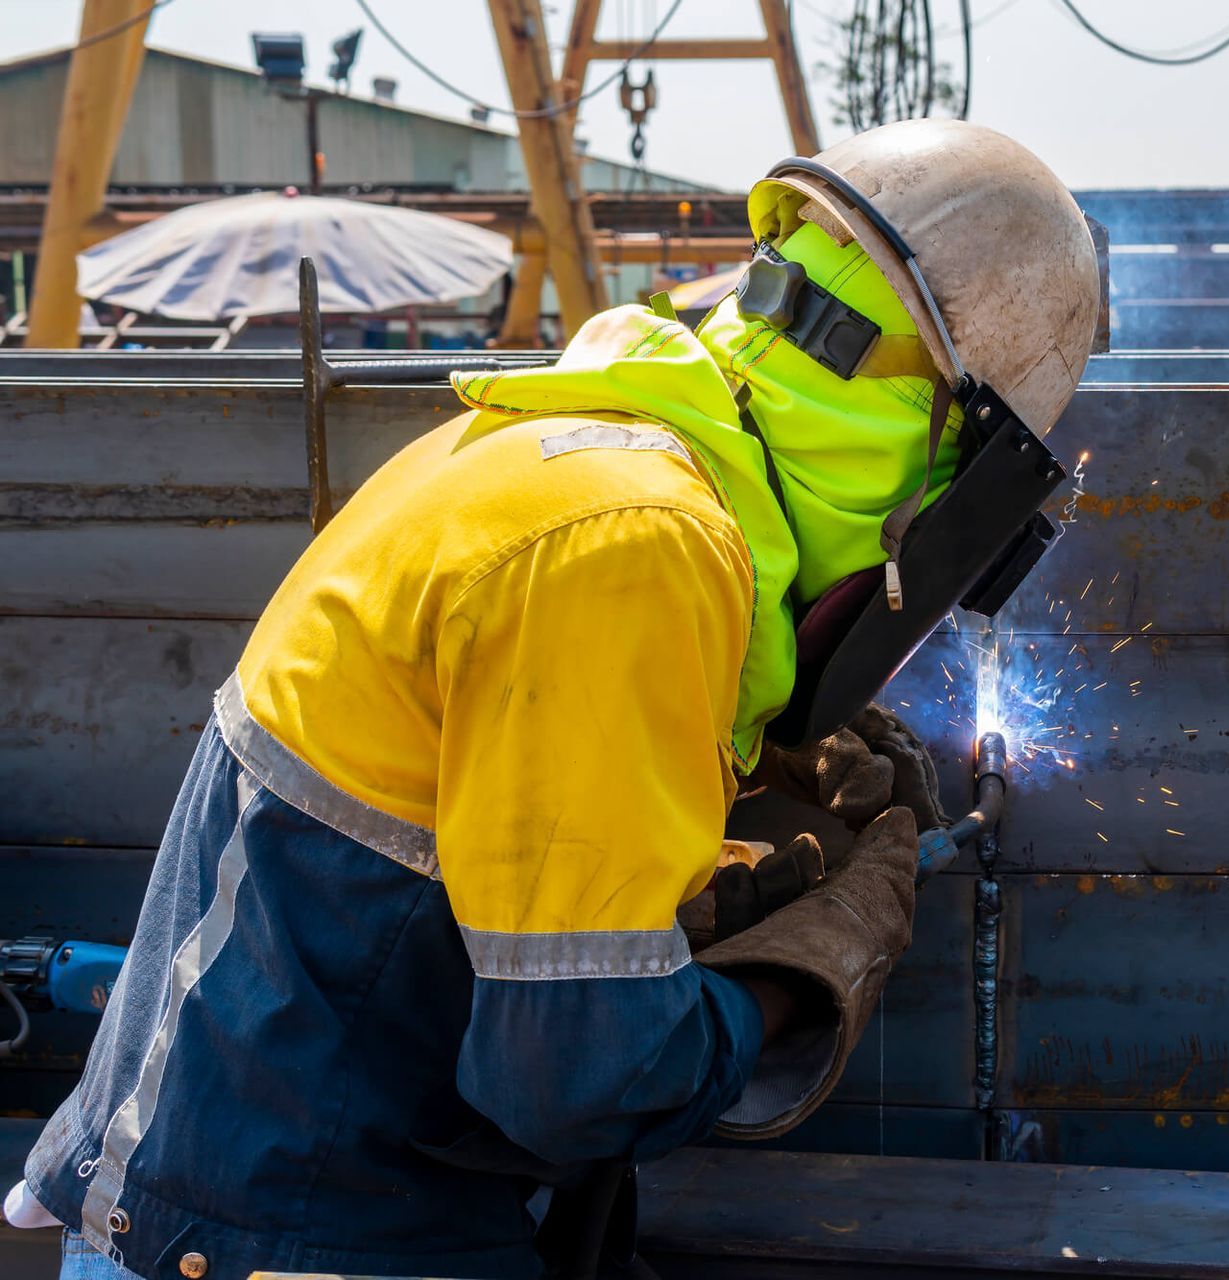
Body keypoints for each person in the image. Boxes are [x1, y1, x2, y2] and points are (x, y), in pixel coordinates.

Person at [6, 118, 1100, 1280]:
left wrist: (721, 752)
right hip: (299, 1238)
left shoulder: (563, 453)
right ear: (943, 457)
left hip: (272, 1193)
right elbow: (578, 1077)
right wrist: (804, 967)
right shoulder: (640, 550)